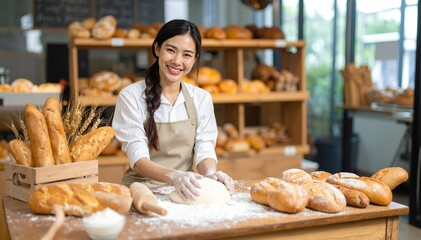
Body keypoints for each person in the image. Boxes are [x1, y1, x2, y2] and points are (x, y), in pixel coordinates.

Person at [112, 19, 234, 201]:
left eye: (187, 54)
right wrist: (175, 176)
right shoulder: (131, 96)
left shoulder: (201, 98)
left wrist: (210, 175)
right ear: (157, 49)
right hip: (141, 192)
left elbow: (204, 146)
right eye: (170, 50)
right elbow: (138, 159)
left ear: (195, 59)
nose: (177, 61)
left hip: (185, 191)